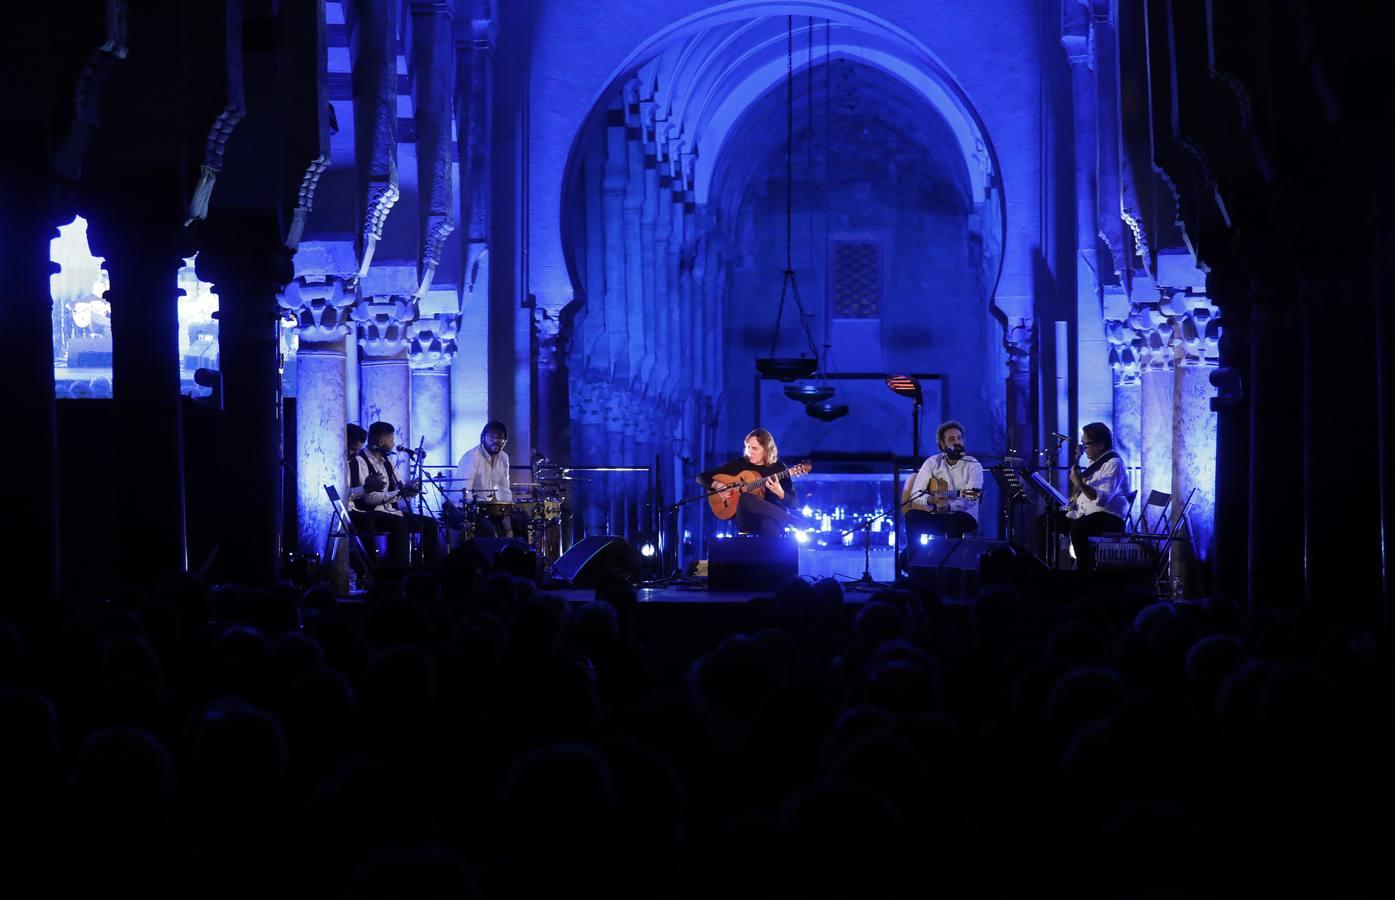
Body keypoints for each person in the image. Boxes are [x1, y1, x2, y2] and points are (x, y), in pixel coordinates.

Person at [348, 421, 442, 567]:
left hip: (391, 511)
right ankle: (399, 573)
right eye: (391, 440)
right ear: (380, 441)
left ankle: (432, 572)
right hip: (371, 512)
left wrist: (410, 490)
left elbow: (399, 491)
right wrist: (399, 493)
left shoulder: (388, 461)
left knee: (429, 524)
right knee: (400, 524)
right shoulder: (360, 461)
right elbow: (369, 499)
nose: (393, 443)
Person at [1054, 421, 1131, 571]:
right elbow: (1076, 494)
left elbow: (1102, 499)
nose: (1083, 449)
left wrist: (1080, 483)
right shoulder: (1094, 463)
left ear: (1100, 444)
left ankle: (1084, 573)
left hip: (1110, 516)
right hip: (1089, 514)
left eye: (1085, 445)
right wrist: (1076, 462)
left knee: (1079, 527)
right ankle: (1051, 568)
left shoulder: (1113, 464)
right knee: (1048, 520)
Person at [698, 428, 803, 537]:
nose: (749, 452)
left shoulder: (779, 468)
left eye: (754, 448)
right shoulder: (741, 464)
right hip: (747, 518)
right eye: (747, 447)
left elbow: (794, 504)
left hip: (773, 518)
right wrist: (717, 485)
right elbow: (701, 477)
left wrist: (780, 492)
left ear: (766, 450)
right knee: (745, 497)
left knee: (770, 525)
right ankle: (790, 519)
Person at [904, 420, 984, 544]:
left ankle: (953, 561)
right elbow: (916, 493)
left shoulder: (973, 465)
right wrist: (931, 500)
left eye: (959, 438)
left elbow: (972, 496)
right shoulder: (932, 462)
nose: (957, 442)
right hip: (938, 514)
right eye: (952, 439)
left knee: (954, 519)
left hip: (965, 516)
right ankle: (916, 559)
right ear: (942, 444)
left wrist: (949, 506)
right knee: (911, 516)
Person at [454, 421, 522, 537]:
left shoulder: (504, 458)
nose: (496, 441)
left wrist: (507, 516)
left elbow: (503, 489)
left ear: (505, 441)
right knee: (488, 530)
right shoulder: (472, 457)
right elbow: (464, 493)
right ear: (482, 438)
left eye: (500, 438)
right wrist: (483, 513)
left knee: (520, 524)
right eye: (491, 437)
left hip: (484, 508)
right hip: (459, 509)